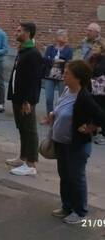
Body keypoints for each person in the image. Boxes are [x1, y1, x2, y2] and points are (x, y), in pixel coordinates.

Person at [43, 60, 105, 224]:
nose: (64, 75)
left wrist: (91, 127)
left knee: (76, 177)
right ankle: (67, 206)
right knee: (64, 175)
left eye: (68, 73)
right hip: (61, 142)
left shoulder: (84, 97)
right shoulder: (66, 91)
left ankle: (80, 211)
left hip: (76, 145)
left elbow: (101, 116)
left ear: (77, 78)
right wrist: (52, 114)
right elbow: (60, 109)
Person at [7, 23, 44, 176]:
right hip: (18, 96)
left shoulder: (33, 53)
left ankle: (31, 163)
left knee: (29, 129)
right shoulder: (23, 50)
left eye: (19, 30)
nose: (16, 32)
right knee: (22, 128)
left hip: (26, 99)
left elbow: (35, 79)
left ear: (27, 33)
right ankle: (22, 157)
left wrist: (29, 101)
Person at [43, 29, 74, 114]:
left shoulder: (69, 50)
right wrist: (55, 61)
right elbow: (45, 60)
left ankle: (59, 114)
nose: (65, 38)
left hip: (62, 77)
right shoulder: (50, 48)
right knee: (49, 98)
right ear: (57, 37)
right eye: (63, 36)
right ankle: (49, 114)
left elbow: (68, 62)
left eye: (66, 36)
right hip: (50, 75)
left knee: (62, 97)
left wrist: (55, 61)